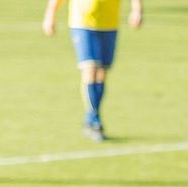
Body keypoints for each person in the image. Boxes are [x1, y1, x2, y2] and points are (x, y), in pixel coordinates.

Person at [42, 0, 142, 141]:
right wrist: (50, 14)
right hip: (82, 22)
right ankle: (93, 119)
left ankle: (92, 118)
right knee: (90, 69)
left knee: (101, 74)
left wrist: (137, 9)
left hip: (109, 23)